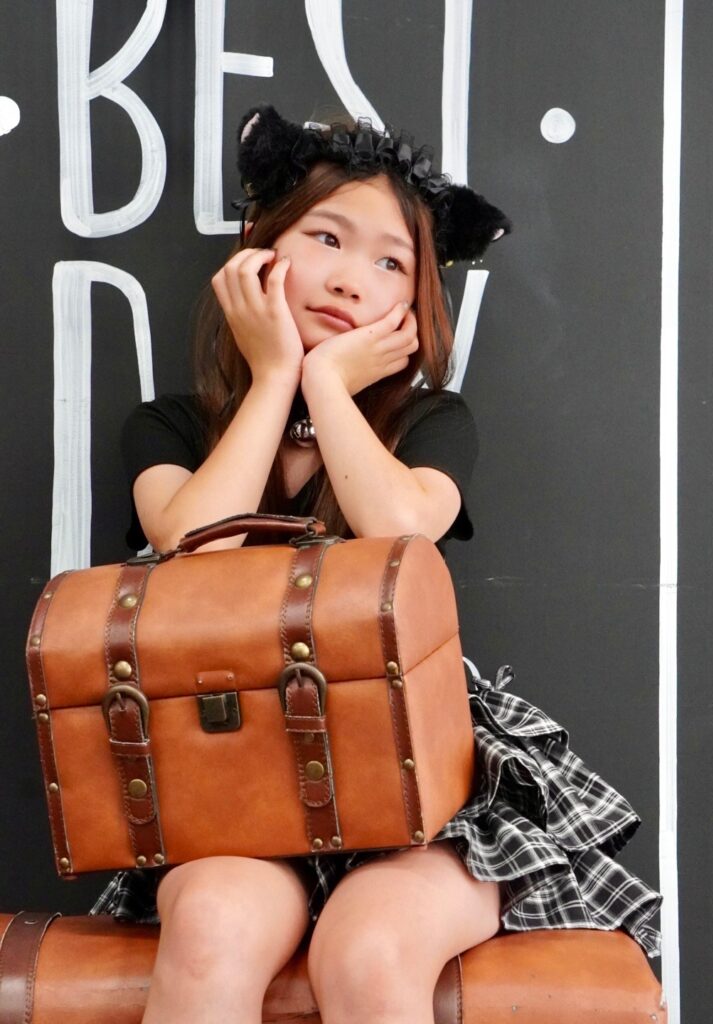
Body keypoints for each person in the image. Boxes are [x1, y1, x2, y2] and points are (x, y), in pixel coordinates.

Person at [90, 105, 661, 1024]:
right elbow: (199, 549)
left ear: (415, 300)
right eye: (326, 238)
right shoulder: (172, 427)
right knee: (211, 931)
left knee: (369, 948)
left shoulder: (431, 423)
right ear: (259, 247)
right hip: (237, 770)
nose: (351, 279)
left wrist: (326, 383)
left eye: (391, 263)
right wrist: (275, 379)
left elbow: (401, 531)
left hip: (418, 779)